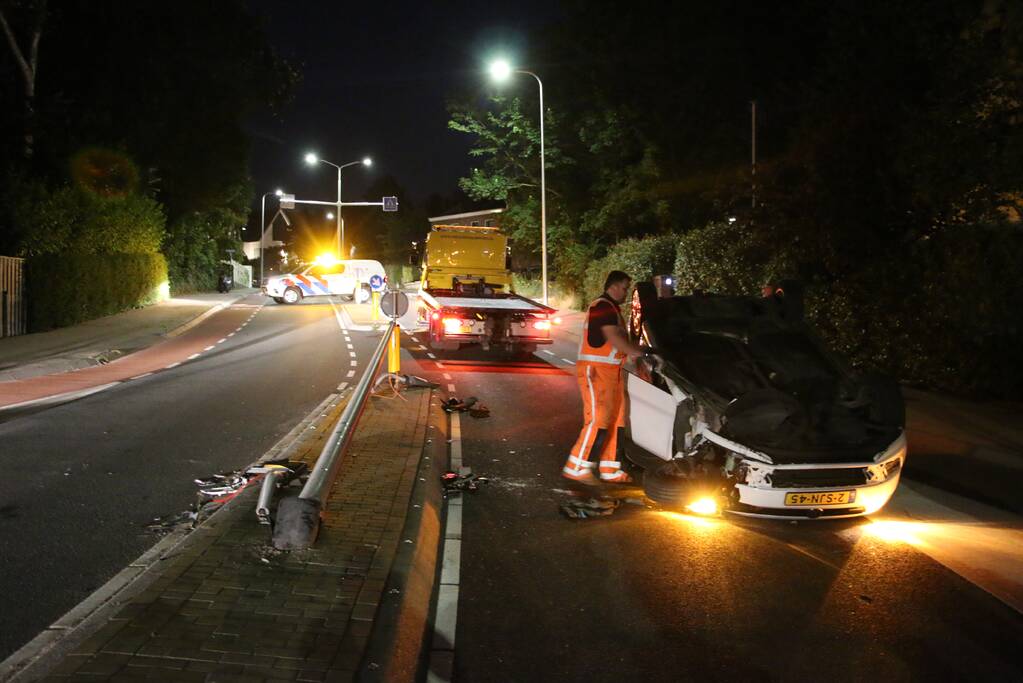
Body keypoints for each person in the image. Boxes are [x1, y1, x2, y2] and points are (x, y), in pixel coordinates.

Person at [562, 270, 646, 485]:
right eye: (625, 288)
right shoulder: (602, 306)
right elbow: (611, 335)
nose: (626, 293)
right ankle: (577, 467)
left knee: (616, 420)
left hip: (611, 373)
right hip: (596, 372)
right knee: (598, 420)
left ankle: (610, 469)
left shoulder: (612, 309)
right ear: (614, 286)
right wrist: (635, 353)